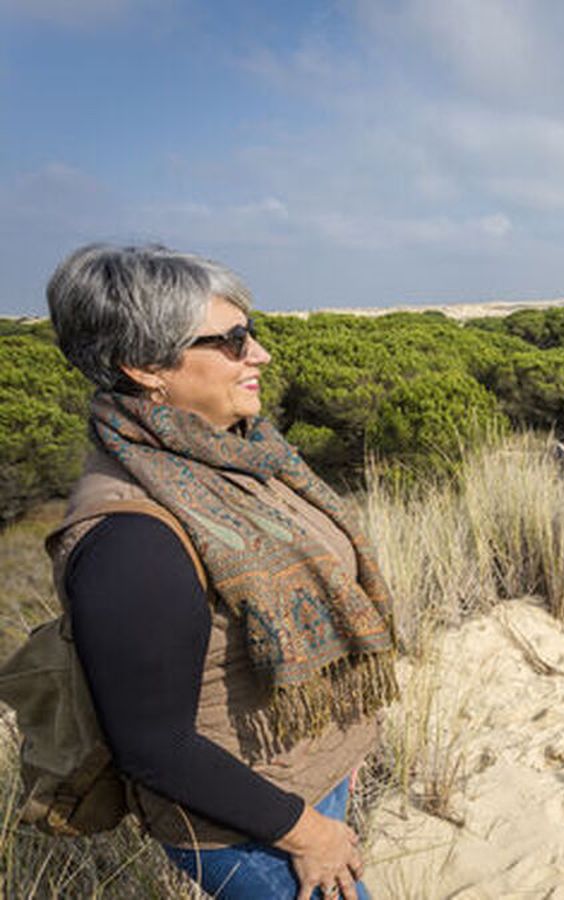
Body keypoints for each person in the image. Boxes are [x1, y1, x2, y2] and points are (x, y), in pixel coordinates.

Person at [45, 244, 391, 899]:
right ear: (146, 366)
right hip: (251, 831)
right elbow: (154, 745)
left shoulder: (240, 456)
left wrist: (333, 767)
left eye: (251, 332)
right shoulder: (130, 538)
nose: (259, 354)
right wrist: (307, 835)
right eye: (232, 341)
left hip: (304, 780)